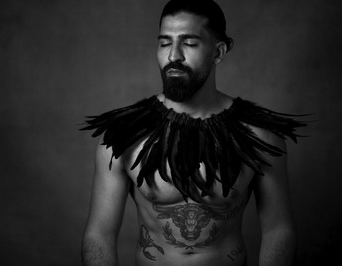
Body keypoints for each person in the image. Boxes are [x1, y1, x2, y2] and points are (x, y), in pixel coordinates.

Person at [81, 0, 305, 265]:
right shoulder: (124, 137)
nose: (173, 55)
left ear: (218, 52)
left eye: (189, 42)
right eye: (165, 42)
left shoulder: (260, 136)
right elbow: (100, 235)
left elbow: (278, 230)